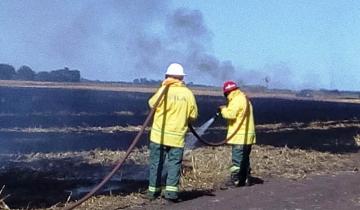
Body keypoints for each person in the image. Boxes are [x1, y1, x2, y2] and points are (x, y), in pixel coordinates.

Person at [147, 63, 198, 202]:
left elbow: (151, 104)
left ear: (167, 76)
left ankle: (153, 192)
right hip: (177, 138)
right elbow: (193, 115)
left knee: (156, 163)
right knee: (174, 164)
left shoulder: (163, 90)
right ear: (182, 77)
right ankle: (171, 194)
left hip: (159, 136)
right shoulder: (188, 94)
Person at [219, 80, 256, 187]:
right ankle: (245, 179)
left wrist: (223, 109)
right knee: (245, 159)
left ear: (227, 92)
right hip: (248, 136)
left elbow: (230, 114)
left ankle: (235, 180)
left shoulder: (236, 100)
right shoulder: (244, 98)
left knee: (237, 160)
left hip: (239, 136)